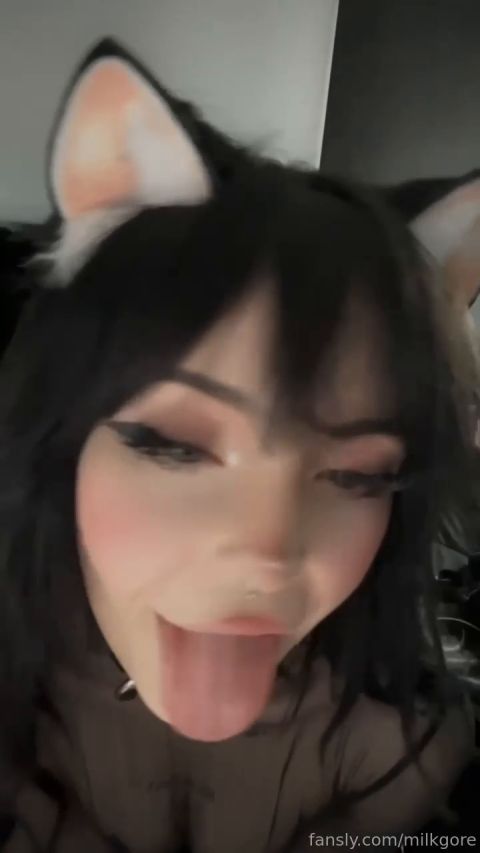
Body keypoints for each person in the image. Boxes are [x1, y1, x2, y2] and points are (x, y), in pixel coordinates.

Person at [0, 39, 476, 853]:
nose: (268, 552)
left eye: (358, 475)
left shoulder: (403, 753)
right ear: (61, 435)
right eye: (172, 445)